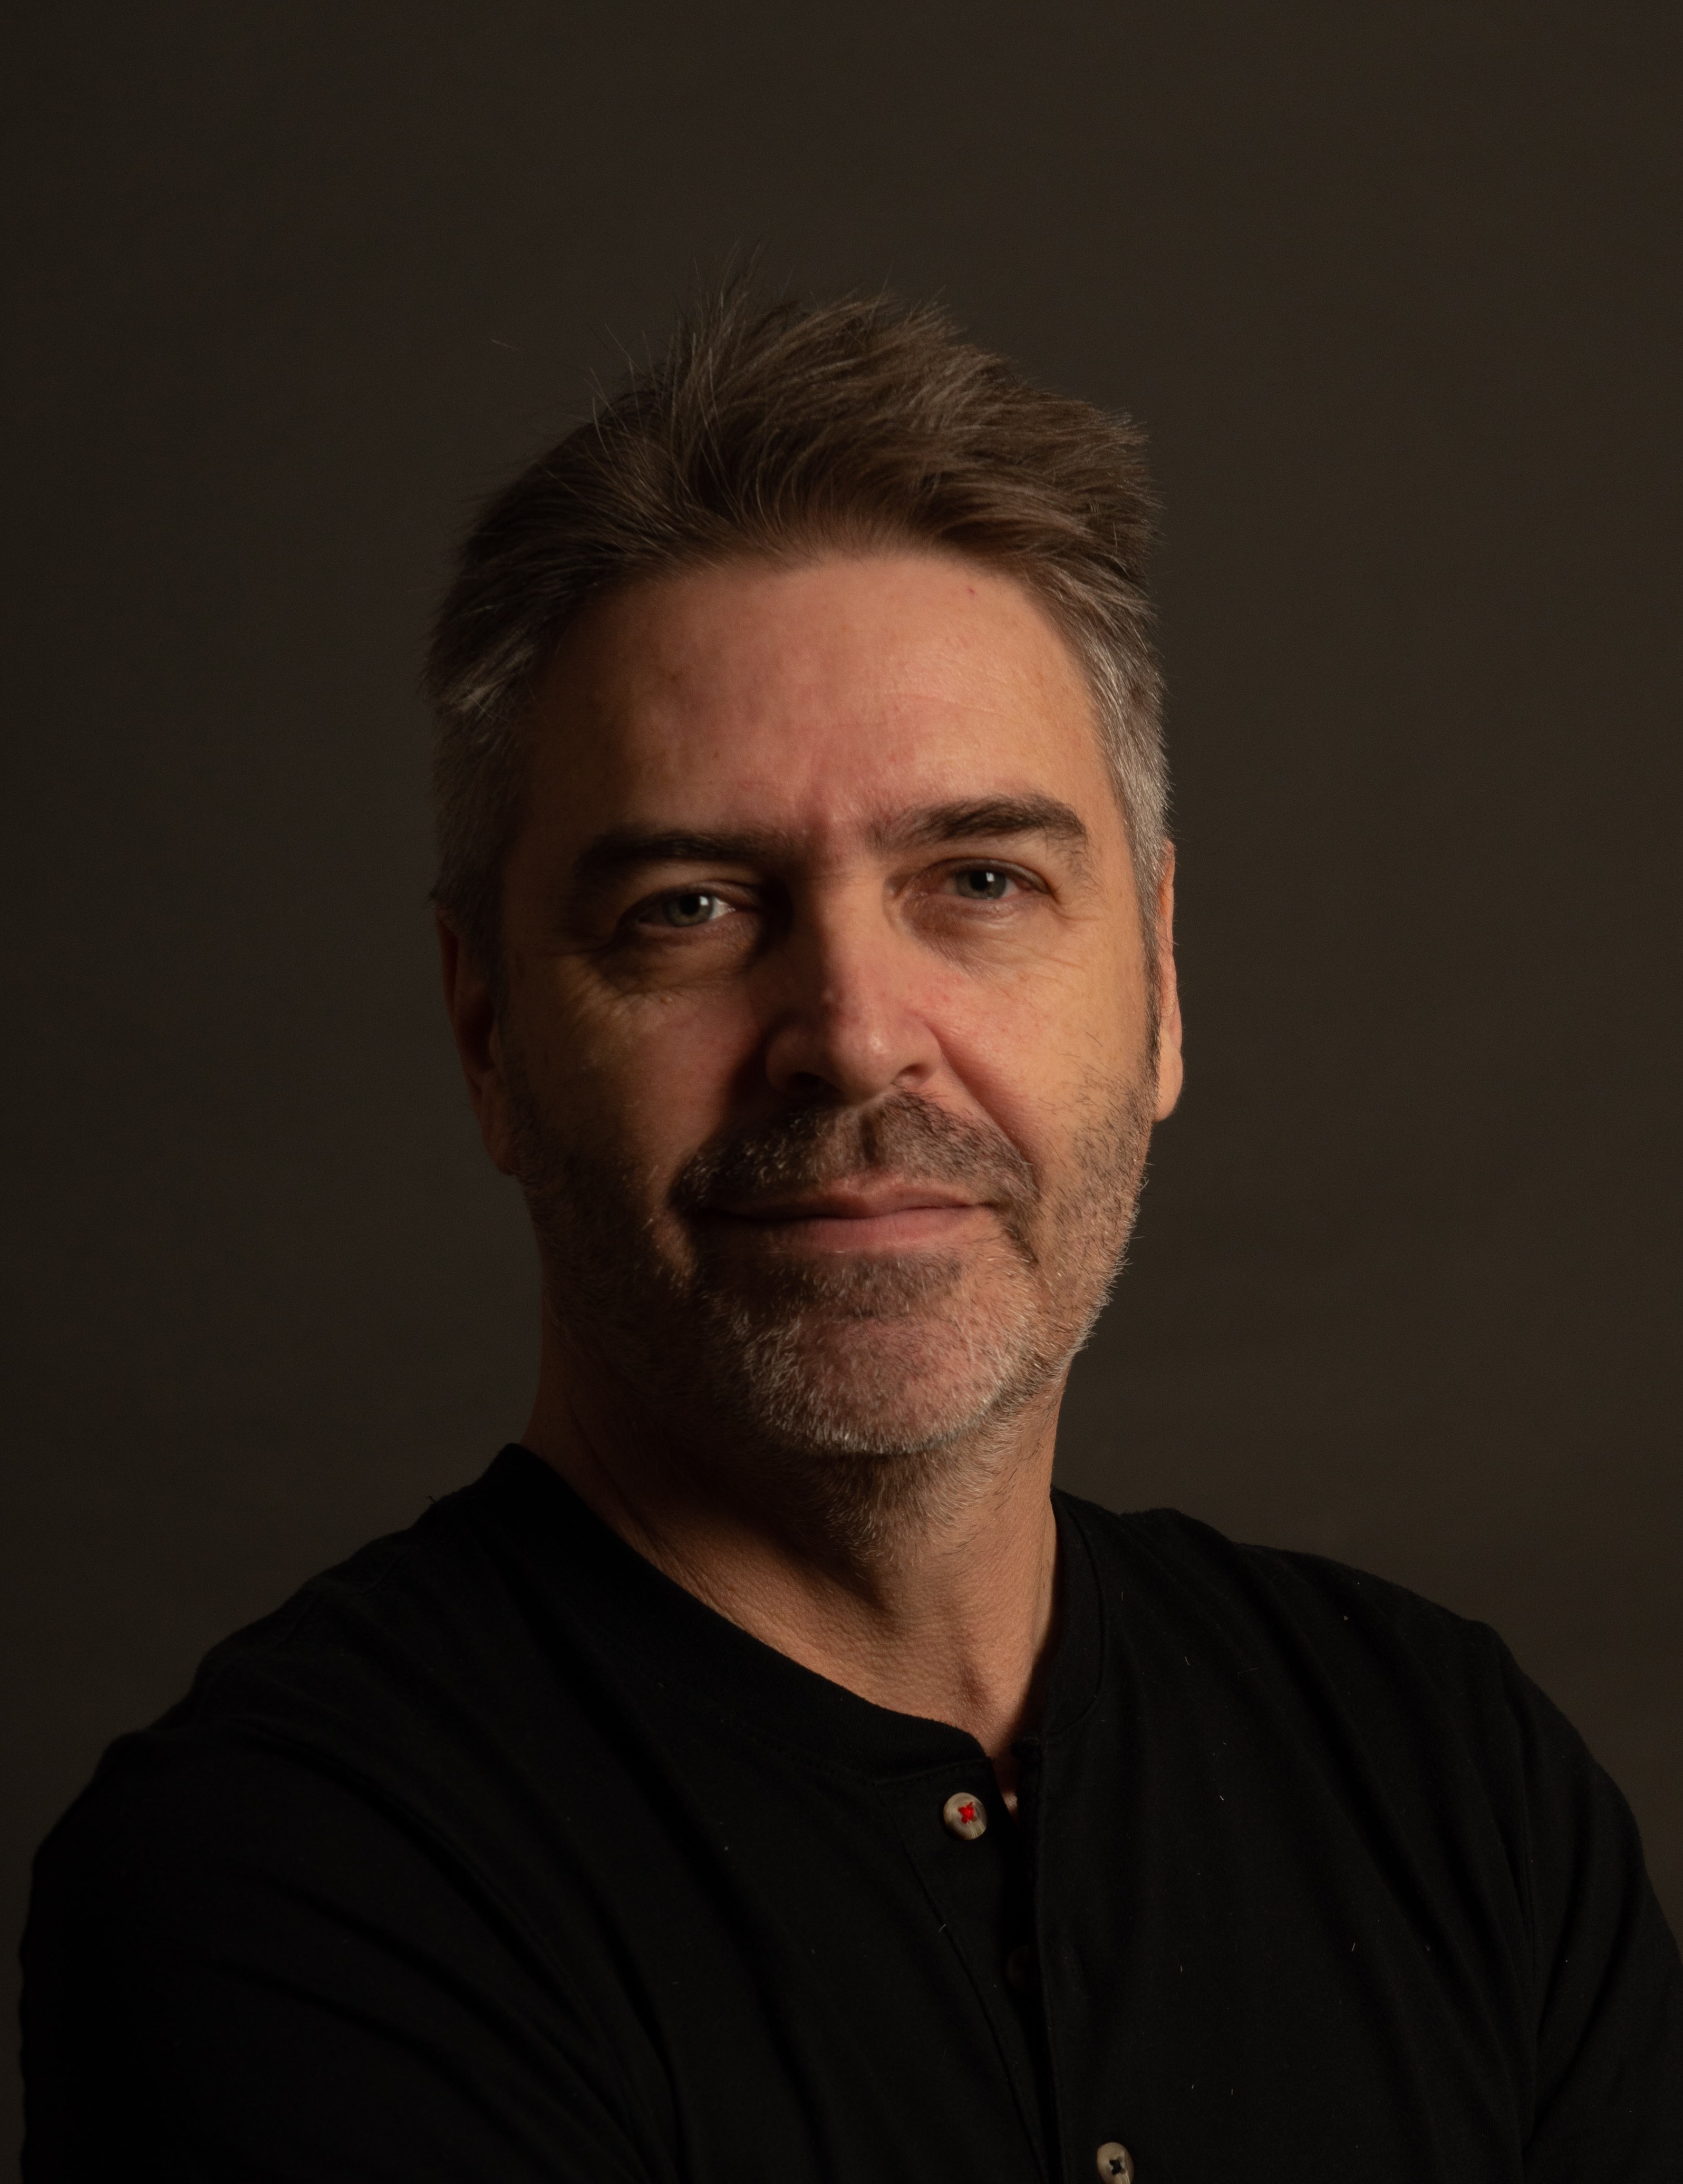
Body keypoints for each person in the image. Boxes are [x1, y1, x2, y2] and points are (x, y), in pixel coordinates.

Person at [21, 289, 1681, 2182]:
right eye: (692, 906)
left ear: (1158, 980)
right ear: (490, 1037)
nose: (856, 1033)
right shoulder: (291, 1884)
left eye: (979, 879)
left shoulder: (1451, 1779)